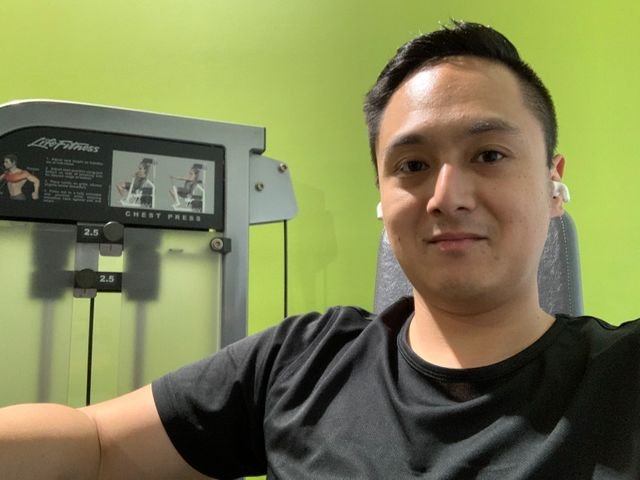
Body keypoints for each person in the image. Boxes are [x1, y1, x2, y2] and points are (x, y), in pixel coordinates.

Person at [1, 20, 639, 479]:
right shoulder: (300, 361)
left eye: (490, 155)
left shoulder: (624, 378)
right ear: (382, 197)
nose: (447, 196)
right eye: (412, 165)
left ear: (553, 184)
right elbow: (95, 442)